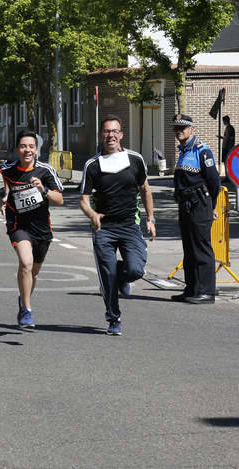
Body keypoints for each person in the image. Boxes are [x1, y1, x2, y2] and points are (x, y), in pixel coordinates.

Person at [79, 116, 155, 335]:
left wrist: (150, 219)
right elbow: (84, 199)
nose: (110, 135)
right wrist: (92, 214)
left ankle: (123, 274)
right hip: (104, 229)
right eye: (106, 131)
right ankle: (113, 318)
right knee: (107, 276)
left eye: (114, 131)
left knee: (135, 269)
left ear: (121, 134)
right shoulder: (92, 165)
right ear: (101, 135)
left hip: (130, 225)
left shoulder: (135, 159)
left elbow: (146, 189)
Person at [1, 130, 64, 328]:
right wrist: (5, 197)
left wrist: (43, 190)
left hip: (42, 228)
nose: (27, 150)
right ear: (17, 149)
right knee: (25, 263)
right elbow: (9, 183)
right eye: (23, 146)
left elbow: (60, 200)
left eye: (31, 146)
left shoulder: (45, 171)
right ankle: (27, 310)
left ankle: (23, 299)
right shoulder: (8, 169)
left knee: (33, 272)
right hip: (18, 224)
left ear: (36, 150)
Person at [171, 114, 221, 304]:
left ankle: (207, 292)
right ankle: (192, 288)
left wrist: (212, 206)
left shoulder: (202, 151)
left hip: (200, 203)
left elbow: (214, 182)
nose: (179, 131)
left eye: (182, 128)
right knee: (189, 249)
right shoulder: (183, 150)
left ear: (192, 129)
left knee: (201, 249)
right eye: (176, 128)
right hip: (186, 205)